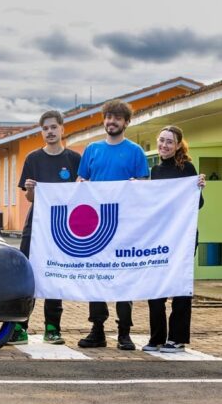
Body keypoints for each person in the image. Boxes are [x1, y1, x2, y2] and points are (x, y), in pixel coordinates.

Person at [76, 99, 149, 351]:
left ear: (126, 123)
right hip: (96, 227)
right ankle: (97, 330)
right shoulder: (91, 150)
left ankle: (124, 332)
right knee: (96, 277)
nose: (111, 122)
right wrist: (79, 185)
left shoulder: (136, 152)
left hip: (125, 226)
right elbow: (81, 181)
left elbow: (144, 188)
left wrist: (134, 186)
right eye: (108, 117)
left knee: (123, 279)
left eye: (117, 118)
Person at [9, 110, 81, 346]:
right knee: (27, 273)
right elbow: (29, 198)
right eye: (45, 128)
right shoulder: (33, 159)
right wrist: (31, 190)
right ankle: (20, 326)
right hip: (36, 224)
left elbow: (78, 194)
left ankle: (53, 327)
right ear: (42, 132)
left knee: (55, 272)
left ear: (62, 129)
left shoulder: (73, 160)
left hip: (61, 225)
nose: (49, 132)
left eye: (53, 127)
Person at [143, 126, 205, 353]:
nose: (164, 145)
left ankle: (177, 339)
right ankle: (157, 337)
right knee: (156, 288)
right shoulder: (155, 172)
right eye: (161, 140)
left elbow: (197, 204)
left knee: (179, 288)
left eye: (170, 142)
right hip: (160, 238)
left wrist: (197, 188)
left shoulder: (186, 168)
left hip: (183, 238)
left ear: (178, 145)